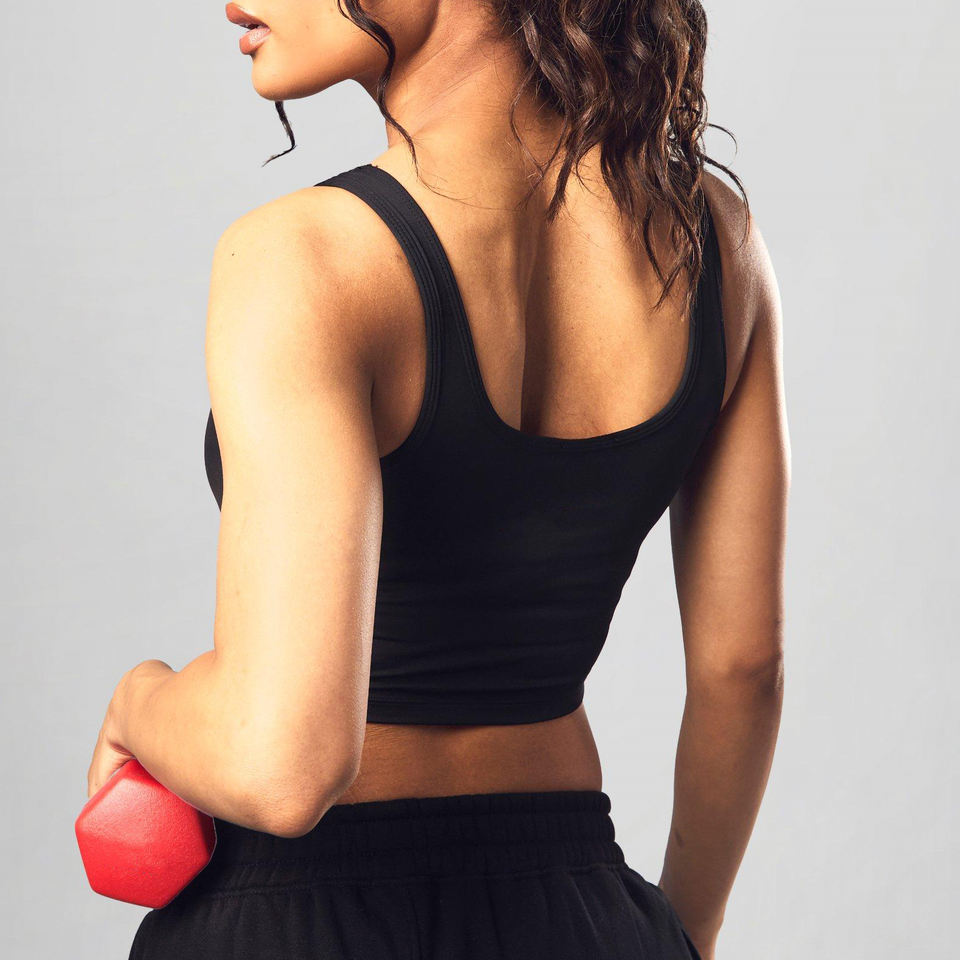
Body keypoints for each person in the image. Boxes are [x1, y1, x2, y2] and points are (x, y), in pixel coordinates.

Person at [87, 1, 789, 957]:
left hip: (302, 919)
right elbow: (742, 669)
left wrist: (140, 700)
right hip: (579, 911)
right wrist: (681, 935)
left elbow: (283, 763)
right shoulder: (715, 242)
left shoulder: (306, 258)